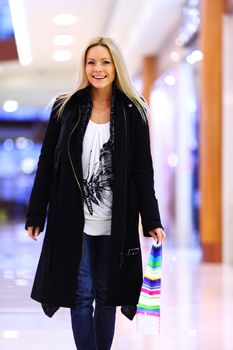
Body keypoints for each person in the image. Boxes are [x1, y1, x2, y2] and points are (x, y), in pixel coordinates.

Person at [26, 36, 166, 350]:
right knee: (80, 293)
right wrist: (36, 213)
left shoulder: (134, 111)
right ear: (84, 66)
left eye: (105, 62)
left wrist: (152, 219)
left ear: (116, 67)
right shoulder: (66, 107)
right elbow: (47, 162)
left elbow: (143, 171)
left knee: (107, 296)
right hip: (73, 220)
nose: (97, 69)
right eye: (91, 62)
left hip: (116, 222)